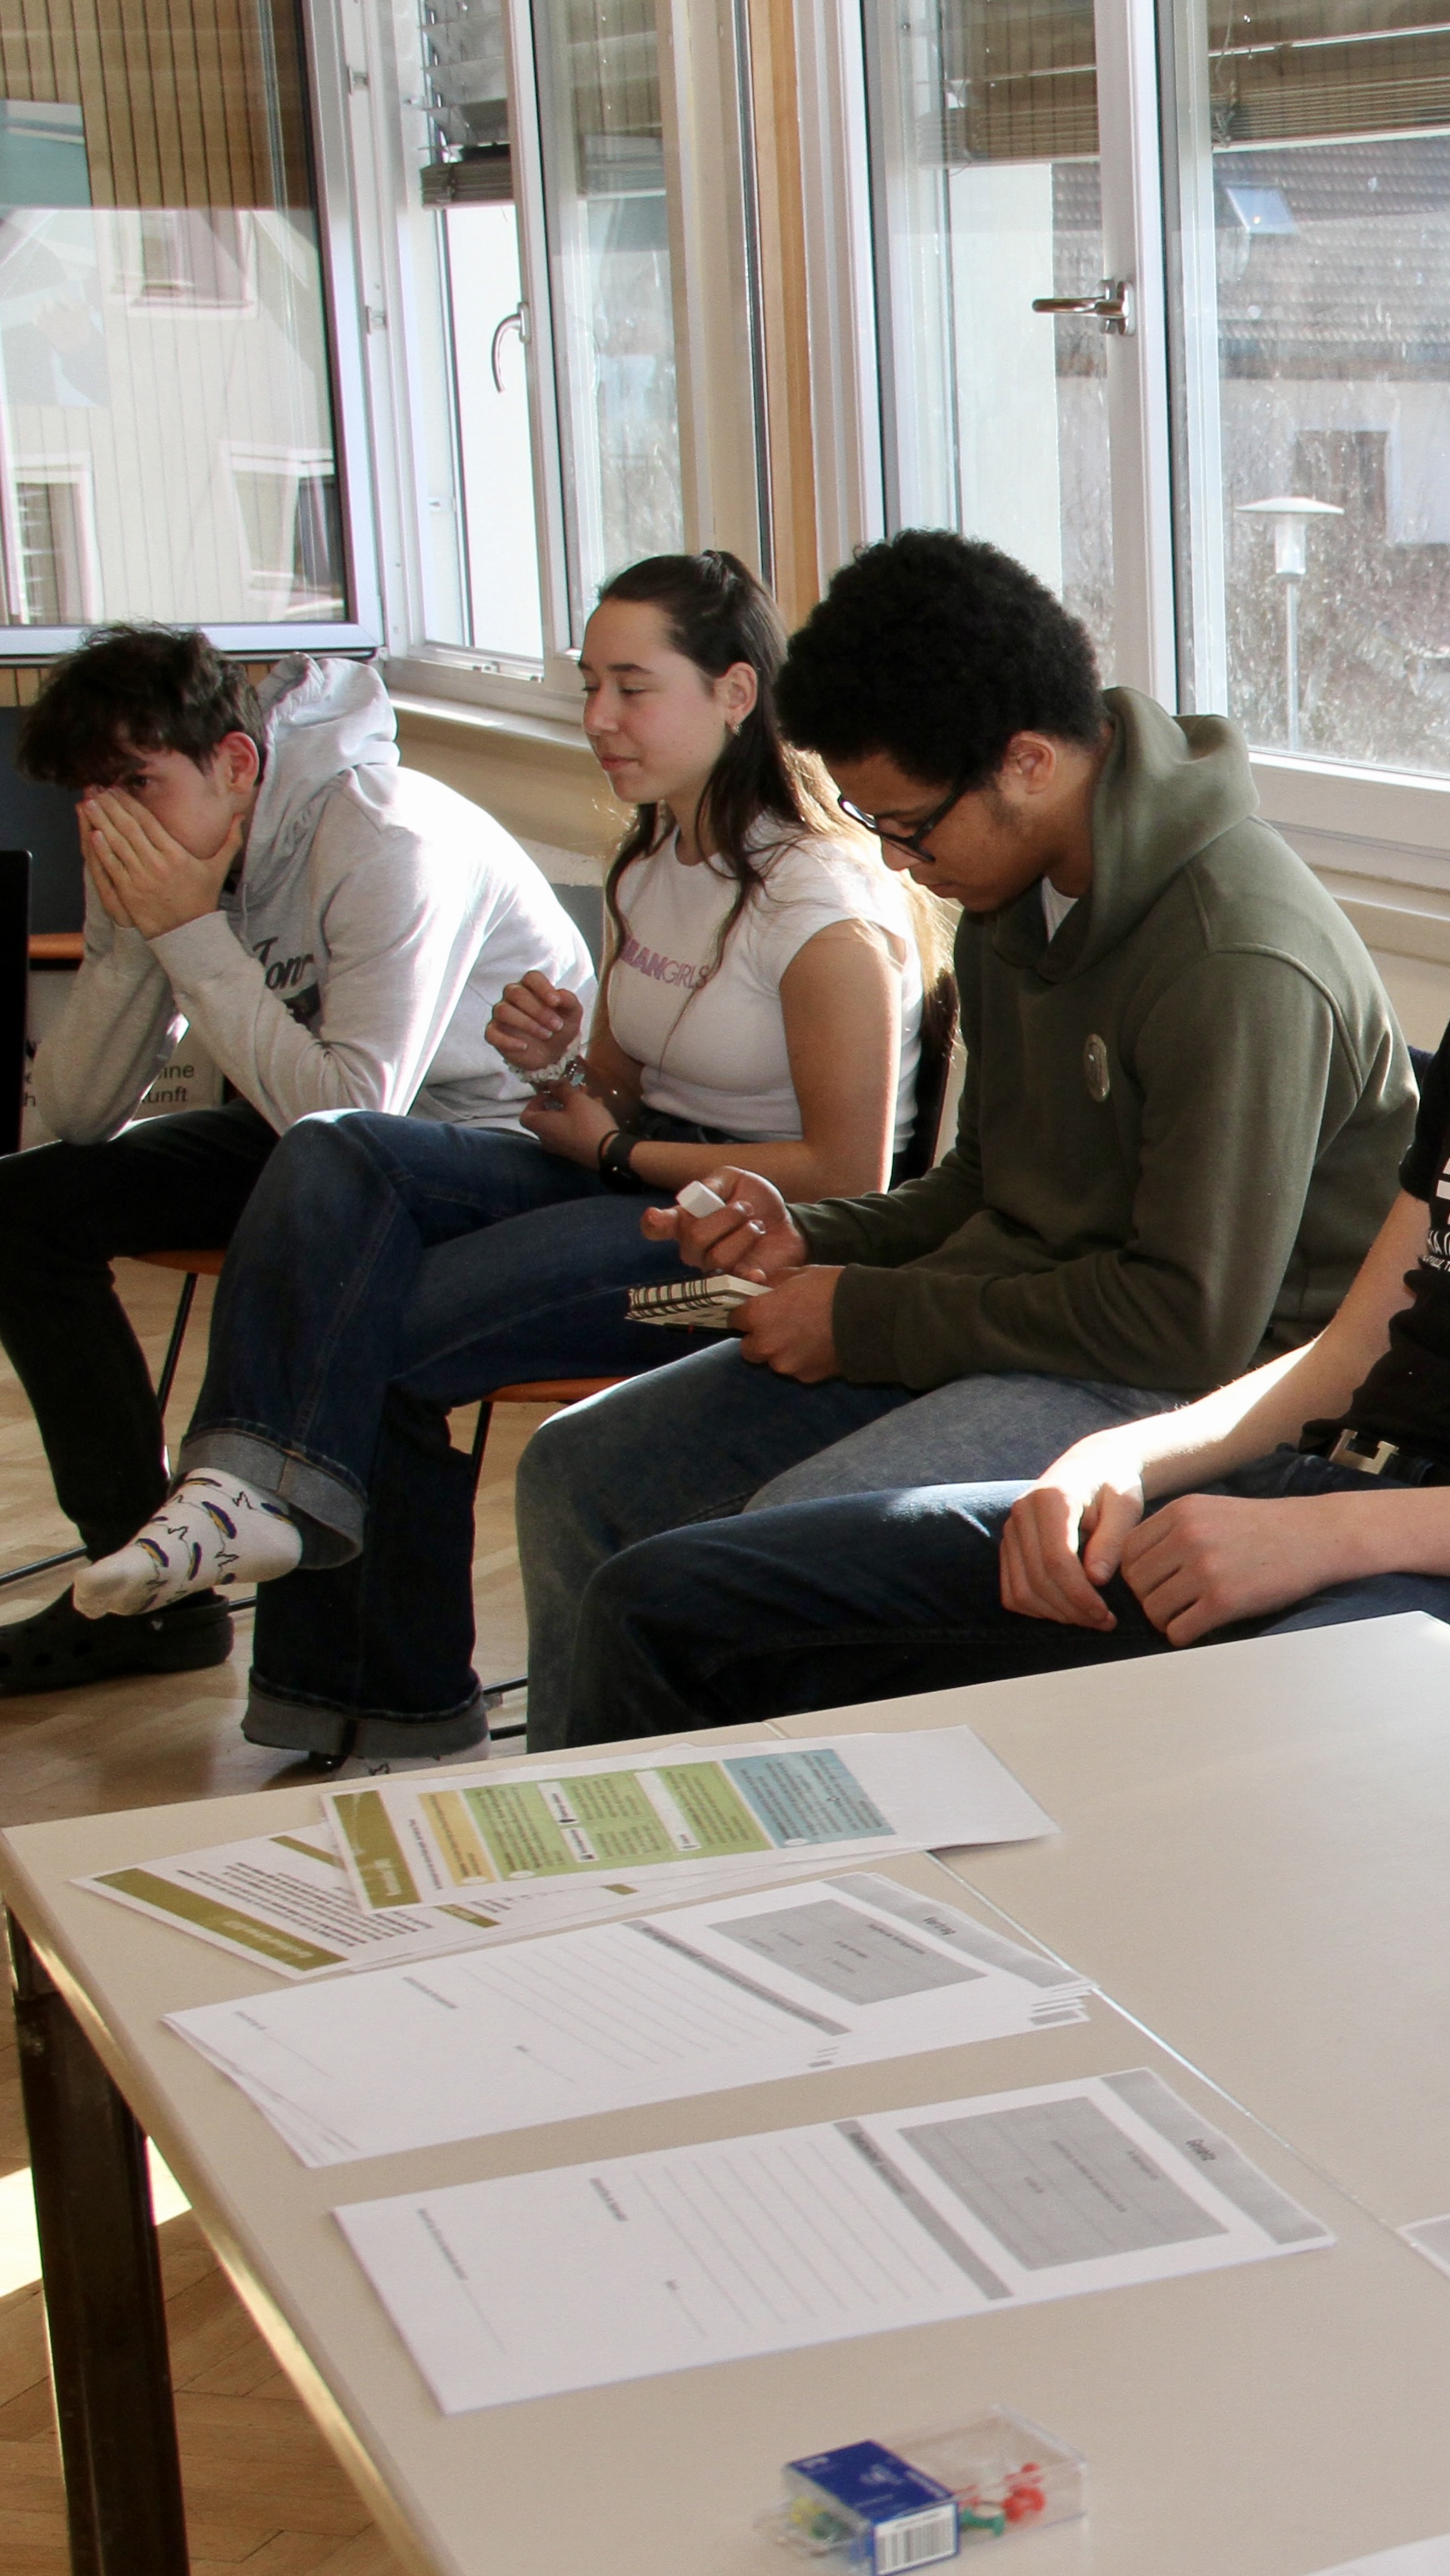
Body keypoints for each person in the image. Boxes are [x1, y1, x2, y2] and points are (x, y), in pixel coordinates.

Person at [551, 535, 1450, 1744]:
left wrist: (1332, 1534)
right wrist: (1123, 1462)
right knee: (675, 1605)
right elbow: (1350, 1350)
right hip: (1332, 1497)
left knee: (1192, 1756)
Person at [508, 530, 1415, 1743]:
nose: (896, 861)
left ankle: (766, 1840)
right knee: (579, 1469)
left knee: (769, 1562)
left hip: (1207, 1389)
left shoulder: (1235, 956)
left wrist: (864, 1317)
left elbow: (1185, 1324)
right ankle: (586, 1828)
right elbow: (985, 1185)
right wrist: (815, 1237)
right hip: (1031, 1322)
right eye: (872, 821)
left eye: (910, 826)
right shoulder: (1008, 883)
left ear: (1026, 762)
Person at [63, 552, 925, 1763]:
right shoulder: (653, 856)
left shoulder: (819, 902)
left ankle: (393, 1707)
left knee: (381, 1326)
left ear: (735, 694)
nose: (598, 718)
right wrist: (562, 1061)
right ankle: (247, 1495)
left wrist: (617, 1139)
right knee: (335, 1149)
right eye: (590, 685)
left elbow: (848, 1178)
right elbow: (619, 1083)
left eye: (632, 688)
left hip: (750, 1241)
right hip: (632, 1175)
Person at [0, 631, 585, 1695]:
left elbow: (356, 1123)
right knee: (22, 1207)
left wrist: (189, 930)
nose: (111, 821)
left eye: (136, 784)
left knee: (319, 1177)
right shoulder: (158, 849)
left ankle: (259, 1541)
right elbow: (76, 1115)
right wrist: (142, 936)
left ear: (235, 762)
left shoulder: (384, 838)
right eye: (91, 796)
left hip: (490, 1150)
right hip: (314, 1135)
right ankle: (147, 1591)